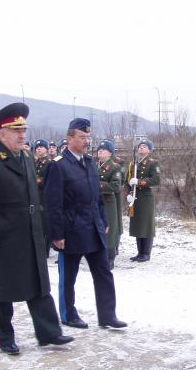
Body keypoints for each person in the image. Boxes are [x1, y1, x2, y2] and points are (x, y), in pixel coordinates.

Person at [0, 103, 73, 355]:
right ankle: (5, 338)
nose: (22, 135)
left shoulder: (25, 157)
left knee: (38, 286)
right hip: (3, 237)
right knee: (3, 291)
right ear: (2, 133)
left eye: (24, 130)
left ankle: (49, 333)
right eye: (17, 131)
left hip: (30, 234)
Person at [45, 118, 127, 330]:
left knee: (104, 273)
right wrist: (57, 235)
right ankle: (68, 314)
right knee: (68, 277)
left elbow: (97, 196)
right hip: (71, 229)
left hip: (93, 227)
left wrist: (104, 220)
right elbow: (52, 204)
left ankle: (107, 315)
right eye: (82, 137)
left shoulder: (90, 163)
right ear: (69, 138)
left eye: (88, 137)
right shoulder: (59, 166)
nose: (86, 141)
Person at [125, 138, 160, 262]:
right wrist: (128, 194)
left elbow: (156, 180)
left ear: (149, 150)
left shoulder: (152, 163)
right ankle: (140, 252)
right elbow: (127, 181)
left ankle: (146, 253)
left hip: (145, 197)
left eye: (144, 146)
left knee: (146, 225)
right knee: (137, 225)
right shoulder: (133, 164)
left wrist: (139, 181)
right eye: (140, 146)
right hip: (135, 197)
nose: (141, 148)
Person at [97, 139, 122, 269]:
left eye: (104, 150)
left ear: (110, 153)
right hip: (95, 203)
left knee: (109, 231)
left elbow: (116, 186)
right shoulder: (94, 165)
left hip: (108, 203)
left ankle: (110, 259)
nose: (100, 151)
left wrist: (98, 185)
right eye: (99, 149)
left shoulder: (114, 167)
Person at [34, 139, 52, 257]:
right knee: (38, 223)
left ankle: (45, 250)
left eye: (41, 146)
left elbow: (50, 180)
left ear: (46, 148)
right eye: (37, 147)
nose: (38, 148)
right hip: (36, 196)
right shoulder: (36, 162)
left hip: (45, 197)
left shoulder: (49, 163)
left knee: (45, 224)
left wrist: (37, 180)